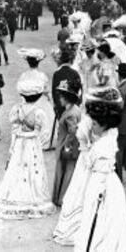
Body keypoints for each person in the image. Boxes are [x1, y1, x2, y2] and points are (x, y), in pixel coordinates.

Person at [74, 87, 126, 252]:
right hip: (106, 182)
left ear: (104, 124)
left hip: (102, 187)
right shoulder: (110, 133)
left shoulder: (103, 146)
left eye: (94, 124)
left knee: (100, 222)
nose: (91, 127)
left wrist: (84, 146)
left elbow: (90, 165)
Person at [0, 77, 56, 219]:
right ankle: (31, 198)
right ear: (38, 96)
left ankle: (17, 196)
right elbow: (44, 132)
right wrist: (37, 139)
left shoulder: (17, 109)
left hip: (20, 142)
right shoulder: (39, 112)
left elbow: (14, 129)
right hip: (32, 143)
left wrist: (15, 143)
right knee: (33, 169)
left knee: (17, 167)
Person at [53, 114, 95, 245]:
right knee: (78, 191)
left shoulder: (89, 122)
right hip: (84, 160)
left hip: (88, 160)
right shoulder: (85, 118)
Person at [52, 79, 82, 207]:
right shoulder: (75, 109)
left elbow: (72, 131)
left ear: (68, 98)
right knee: (68, 170)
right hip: (70, 145)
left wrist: (66, 146)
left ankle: (62, 198)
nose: (60, 99)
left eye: (62, 97)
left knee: (65, 171)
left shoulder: (70, 113)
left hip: (66, 145)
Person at [17, 48, 54, 149]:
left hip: (27, 101)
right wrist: (50, 99)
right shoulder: (42, 76)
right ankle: (42, 142)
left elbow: (21, 91)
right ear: (38, 63)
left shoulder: (23, 75)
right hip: (40, 100)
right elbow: (46, 91)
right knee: (46, 118)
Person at [52, 47, 82, 119]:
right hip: (73, 106)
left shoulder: (57, 73)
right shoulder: (75, 73)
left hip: (60, 105)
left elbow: (54, 91)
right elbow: (80, 91)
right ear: (69, 60)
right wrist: (78, 104)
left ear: (61, 61)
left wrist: (56, 105)